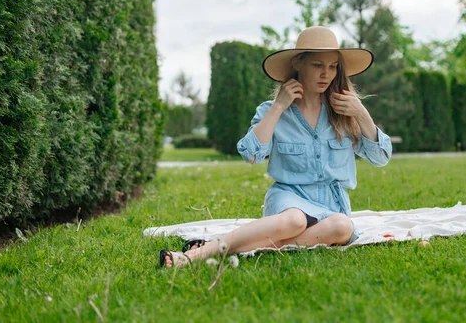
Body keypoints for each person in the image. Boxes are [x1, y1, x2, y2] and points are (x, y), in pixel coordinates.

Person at [159, 26, 392, 268]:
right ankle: (195, 255)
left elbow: (381, 157)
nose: (326, 74)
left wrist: (362, 114)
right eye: (317, 65)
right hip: (288, 199)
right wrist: (279, 106)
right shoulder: (272, 109)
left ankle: (224, 246)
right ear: (298, 65)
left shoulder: (346, 110)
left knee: (343, 226)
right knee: (294, 220)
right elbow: (250, 154)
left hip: (331, 206)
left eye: (332, 66)